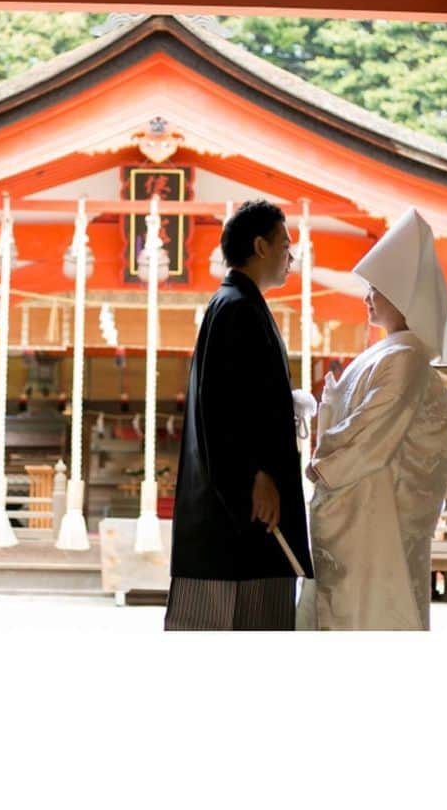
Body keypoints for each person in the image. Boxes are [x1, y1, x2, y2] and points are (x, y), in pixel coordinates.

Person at [298, 207, 447, 631]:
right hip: (359, 504)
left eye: (375, 288)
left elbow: (375, 432)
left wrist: (325, 467)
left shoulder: (405, 357)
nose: (367, 297)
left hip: (376, 509)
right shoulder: (390, 353)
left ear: (401, 293)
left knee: (371, 612)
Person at [166, 199, 314, 630]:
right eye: (286, 244)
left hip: (243, 504)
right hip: (240, 507)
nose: (292, 256)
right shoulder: (236, 308)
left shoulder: (237, 304)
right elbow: (224, 408)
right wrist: (258, 475)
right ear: (260, 246)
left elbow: (250, 399)